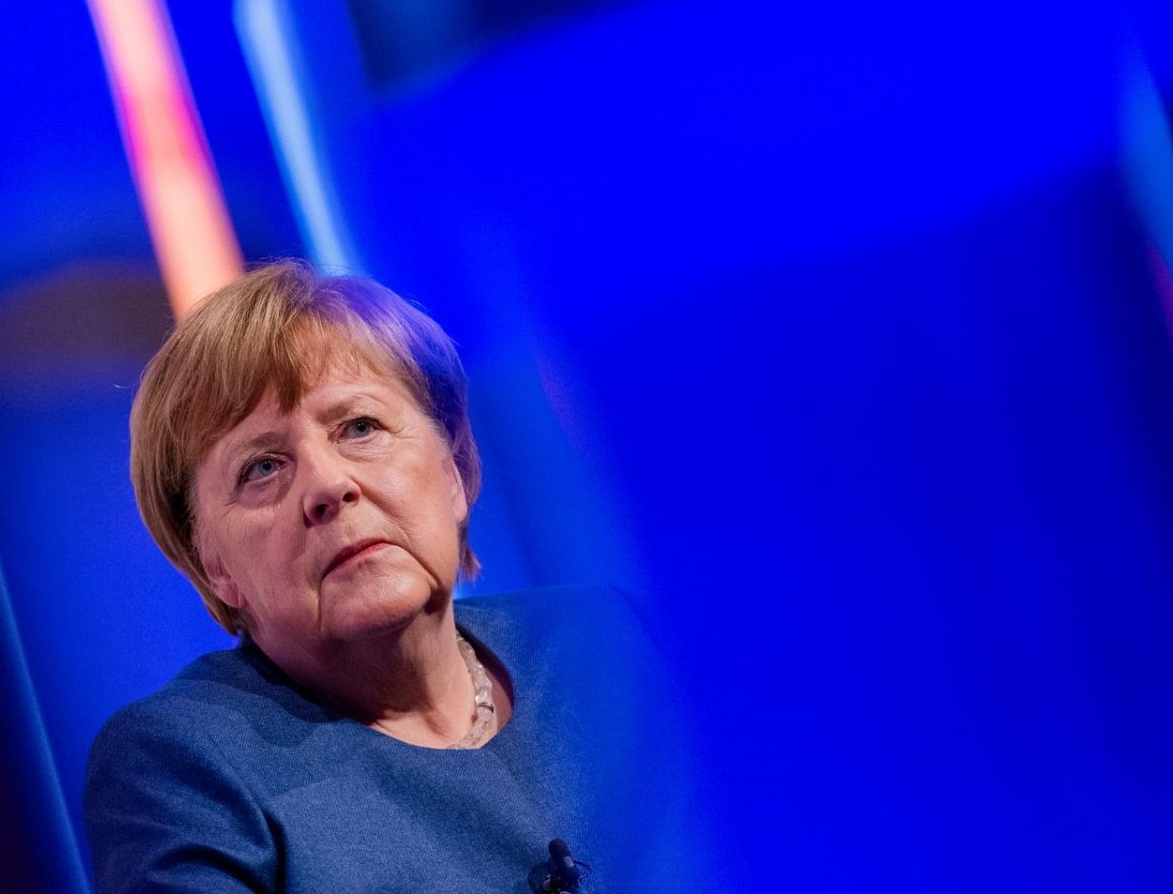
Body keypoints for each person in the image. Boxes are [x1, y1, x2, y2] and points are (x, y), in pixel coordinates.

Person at [84, 260, 708, 892]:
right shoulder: (184, 766)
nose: (328, 485)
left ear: (456, 469)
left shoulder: (605, 643)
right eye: (263, 467)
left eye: (360, 428)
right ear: (214, 566)